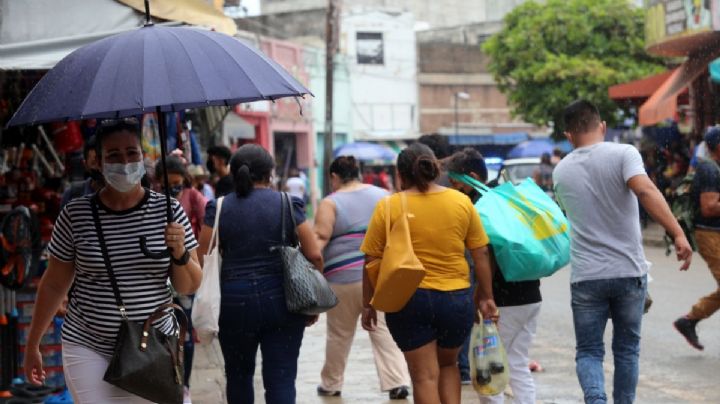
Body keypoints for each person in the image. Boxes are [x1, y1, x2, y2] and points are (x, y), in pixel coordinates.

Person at [24, 119, 202, 403]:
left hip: (153, 345)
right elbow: (55, 283)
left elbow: (188, 285)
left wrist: (179, 251)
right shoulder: (76, 215)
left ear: (143, 157)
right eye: (114, 155)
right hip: (88, 344)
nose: (125, 162)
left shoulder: (168, 211)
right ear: (98, 162)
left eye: (132, 153)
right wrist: (33, 344)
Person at [553, 100, 692, 404]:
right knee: (626, 350)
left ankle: (596, 400)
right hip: (628, 272)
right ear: (601, 126)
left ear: (568, 135)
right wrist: (678, 232)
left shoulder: (561, 171)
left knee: (589, 351)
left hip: (586, 277)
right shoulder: (623, 153)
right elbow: (645, 190)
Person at [360, 143, 497, 404]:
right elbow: (481, 253)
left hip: (408, 300)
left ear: (400, 175)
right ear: (434, 168)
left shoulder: (388, 206)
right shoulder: (461, 202)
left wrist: (368, 304)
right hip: (456, 299)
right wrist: (486, 296)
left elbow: (371, 259)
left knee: (424, 377)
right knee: (449, 366)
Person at [197, 144, 323, 404]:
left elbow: (202, 257)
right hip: (283, 302)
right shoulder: (288, 203)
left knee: (239, 376)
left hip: (234, 303)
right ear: (270, 173)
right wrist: (312, 304)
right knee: (282, 379)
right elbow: (314, 255)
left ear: (233, 173)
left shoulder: (218, 208)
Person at [447, 148, 542, 403]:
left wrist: (483, 296)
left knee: (487, 367)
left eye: (456, 183)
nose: (454, 189)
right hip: (531, 294)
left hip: (502, 300)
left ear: (472, 177)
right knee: (517, 363)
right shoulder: (506, 198)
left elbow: (484, 256)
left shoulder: (480, 206)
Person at [314, 156, 410, 400]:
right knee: (382, 329)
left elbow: (320, 240)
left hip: (341, 279)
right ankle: (397, 381)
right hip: (378, 276)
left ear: (334, 177)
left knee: (339, 334)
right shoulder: (383, 196)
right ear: (357, 172)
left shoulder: (330, 203)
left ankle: (331, 384)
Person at [154, 155, 208, 403]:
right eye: (167, 184)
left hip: (186, 268)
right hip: (159, 279)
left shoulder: (193, 198)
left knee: (185, 334)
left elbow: (207, 224)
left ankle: (184, 384)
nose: (173, 189)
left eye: (177, 183)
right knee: (165, 335)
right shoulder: (152, 203)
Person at [674, 127, 720, 351]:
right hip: (710, 235)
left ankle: (689, 320)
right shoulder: (709, 169)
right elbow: (709, 207)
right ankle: (689, 320)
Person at [60, 135, 103, 208]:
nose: (99, 168)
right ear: (85, 165)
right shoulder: (72, 194)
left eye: (102, 162)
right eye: (93, 163)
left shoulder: (123, 194)